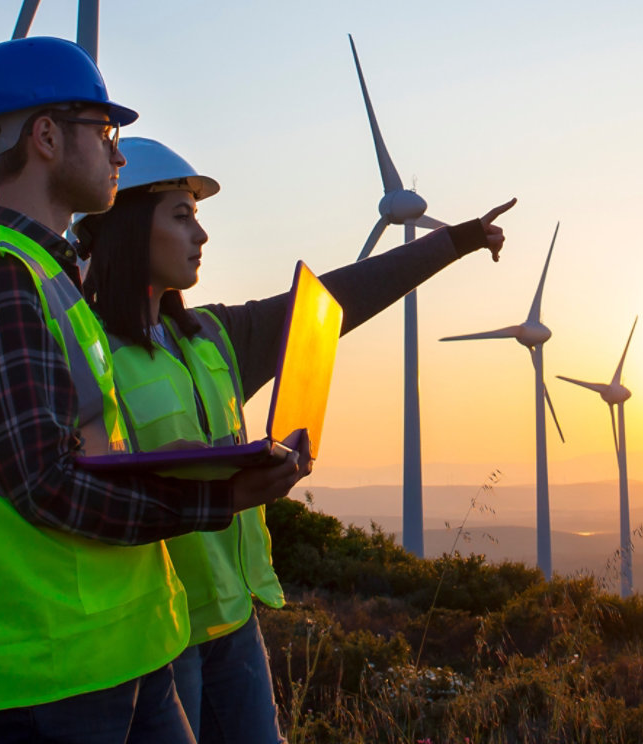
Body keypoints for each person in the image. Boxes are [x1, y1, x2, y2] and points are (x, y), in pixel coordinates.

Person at [0, 38, 313, 744]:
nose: (119, 154)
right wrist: (216, 497)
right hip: (44, 669)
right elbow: (46, 484)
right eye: (106, 132)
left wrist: (205, 465)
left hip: (117, 647)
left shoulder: (47, 275)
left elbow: (85, 453)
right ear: (46, 137)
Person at [73, 137, 513, 744]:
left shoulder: (216, 336)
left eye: (198, 218)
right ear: (123, 228)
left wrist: (452, 241)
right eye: (181, 216)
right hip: (154, 632)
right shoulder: (84, 353)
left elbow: (333, 303)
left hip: (233, 622)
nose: (201, 236)